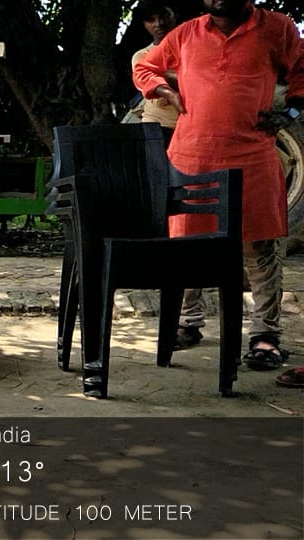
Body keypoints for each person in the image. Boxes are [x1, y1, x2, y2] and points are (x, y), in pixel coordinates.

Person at [133, 0, 303, 372]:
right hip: (192, 156)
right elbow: (145, 67)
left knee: (260, 247)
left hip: (253, 156)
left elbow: (302, 69)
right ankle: (188, 323)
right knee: (187, 246)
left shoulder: (277, 28)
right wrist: (167, 92)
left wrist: (290, 111)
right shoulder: (185, 33)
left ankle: (265, 335)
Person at [129, 0, 179, 144]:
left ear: (174, 15)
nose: (159, 23)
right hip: (159, 129)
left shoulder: (193, 48)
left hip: (194, 127)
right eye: (151, 20)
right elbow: (155, 91)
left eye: (163, 16)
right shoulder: (141, 56)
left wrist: (163, 74)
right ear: (144, 24)